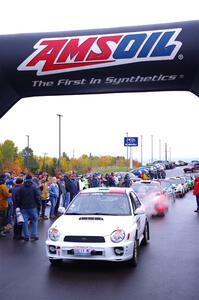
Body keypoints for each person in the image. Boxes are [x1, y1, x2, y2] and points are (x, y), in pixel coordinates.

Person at [16, 174, 41, 241]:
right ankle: (33, 235)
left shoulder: (21, 187)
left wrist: (18, 206)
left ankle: (26, 236)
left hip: (24, 207)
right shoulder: (34, 186)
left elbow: (18, 198)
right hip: (33, 207)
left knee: (25, 222)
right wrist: (39, 205)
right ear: (31, 179)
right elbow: (38, 197)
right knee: (35, 220)